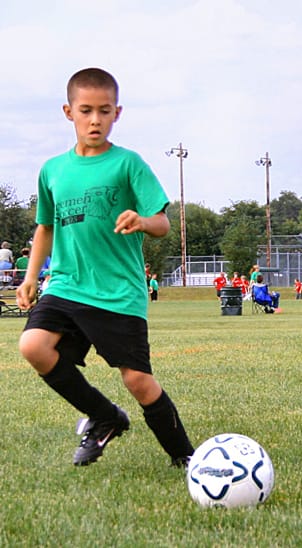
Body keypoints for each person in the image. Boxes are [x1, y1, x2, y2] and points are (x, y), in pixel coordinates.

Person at [15, 67, 194, 467]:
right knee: (33, 346)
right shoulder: (52, 170)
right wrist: (30, 278)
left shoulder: (128, 164)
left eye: (104, 110)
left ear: (117, 113)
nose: (95, 119)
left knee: (137, 380)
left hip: (117, 291)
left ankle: (185, 458)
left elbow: (162, 224)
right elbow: (46, 227)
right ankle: (105, 416)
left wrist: (142, 220)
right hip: (66, 284)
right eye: (86, 110)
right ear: (69, 112)